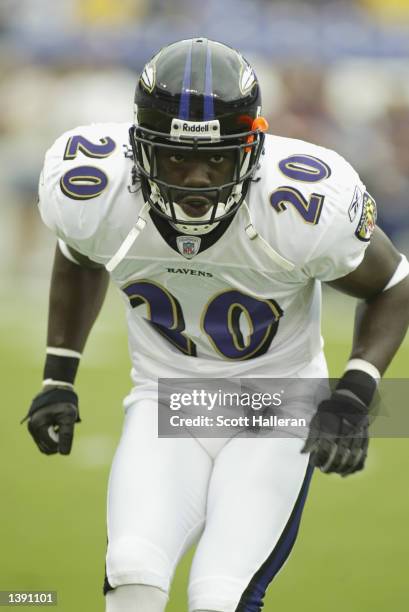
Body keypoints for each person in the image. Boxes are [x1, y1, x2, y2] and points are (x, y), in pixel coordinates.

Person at [24, 38, 409, 612]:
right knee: (132, 570)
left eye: (218, 158)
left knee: (218, 597)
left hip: (277, 406)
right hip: (166, 399)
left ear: (251, 149)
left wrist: (355, 393)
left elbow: (394, 282)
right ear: (140, 149)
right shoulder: (96, 190)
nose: (197, 179)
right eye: (177, 158)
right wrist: (59, 376)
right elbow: (79, 253)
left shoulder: (301, 203)